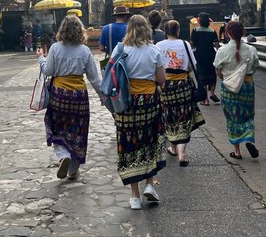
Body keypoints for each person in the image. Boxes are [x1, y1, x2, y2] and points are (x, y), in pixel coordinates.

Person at [37, 16, 104, 180]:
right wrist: (103, 96)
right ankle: (73, 170)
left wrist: (40, 58)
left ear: (63, 30)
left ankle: (62, 155)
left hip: (59, 95)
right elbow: (94, 78)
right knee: (78, 131)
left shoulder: (55, 48)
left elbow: (48, 71)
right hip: (79, 97)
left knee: (57, 127)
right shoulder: (84, 50)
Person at [112, 15, 166, 210]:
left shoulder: (120, 50)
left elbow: (112, 78)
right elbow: (161, 80)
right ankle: (150, 184)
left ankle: (134, 196)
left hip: (126, 104)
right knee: (149, 140)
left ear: (129, 29)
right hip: (149, 102)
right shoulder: (154, 50)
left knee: (129, 145)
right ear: (147, 29)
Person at [155, 20, 205, 166]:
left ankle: (172, 147)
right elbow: (191, 66)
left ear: (165, 31)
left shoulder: (159, 46)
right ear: (178, 31)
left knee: (169, 115)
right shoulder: (185, 44)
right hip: (183, 85)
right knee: (183, 116)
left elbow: (156, 67)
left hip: (166, 85)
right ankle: (182, 155)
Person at [214, 20, 260, 160]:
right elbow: (255, 66)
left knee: (232, 116)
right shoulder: (251, 50)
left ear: (228, 33)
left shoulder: (222, 50)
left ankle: (237, 151)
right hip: (247, 85)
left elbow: (218, 70)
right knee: (247, 113)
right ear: (243, 33)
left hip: (229, 88)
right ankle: (249, 139)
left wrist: (226, 79)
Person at [190, 12, 220, 105]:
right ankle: (212, 92)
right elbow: (217, 45)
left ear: (199, 21)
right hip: (211, 55)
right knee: (212, 74)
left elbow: (191, 44)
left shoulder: (195, 30)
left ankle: (205, 99)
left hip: (199, 55)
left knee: (202, 77)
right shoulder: (212, 31)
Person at [98, 6, 130, 70]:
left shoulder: (106, 28)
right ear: (126, 16)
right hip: (126, 62)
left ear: (115, 16)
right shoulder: (130, 28)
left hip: (111, 61)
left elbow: (101, 48)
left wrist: (110, 51)